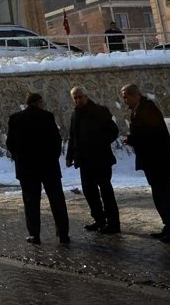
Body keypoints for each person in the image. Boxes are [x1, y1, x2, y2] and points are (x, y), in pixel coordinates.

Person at [6, 92, 70, 246]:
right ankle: (63, 234)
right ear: (39, 103)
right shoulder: (47, 117)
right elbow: (56, 140)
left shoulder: (15, 118)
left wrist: (19, 158)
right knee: (57, 200)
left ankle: (35, 235)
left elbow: (10, 143)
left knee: (31, 202)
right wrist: (52, 158)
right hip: (48, 166)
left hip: (26, 168)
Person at [120, 83, 170, 243]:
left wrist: (132, 139)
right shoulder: (138, 110)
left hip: (160, 162)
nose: (124, 100)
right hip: (152, 162)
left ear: (136, 95)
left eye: (126, 96)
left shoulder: (147, 109)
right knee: (159, 196)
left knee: (165, 197)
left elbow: (151, 135)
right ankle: (168, 227)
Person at [66, 86, 120, 234]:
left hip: (100, 158)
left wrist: (100, 143)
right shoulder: (75, 114)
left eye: (80, 97)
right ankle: (99, 219)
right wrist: (70, 155)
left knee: (105, 191)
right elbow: (72, 137)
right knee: (89, 192)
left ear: (86, 96)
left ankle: (113, 223)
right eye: (75, 98)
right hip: (84, 160)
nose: (78, 100)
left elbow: (113, 131)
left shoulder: (100, 111)